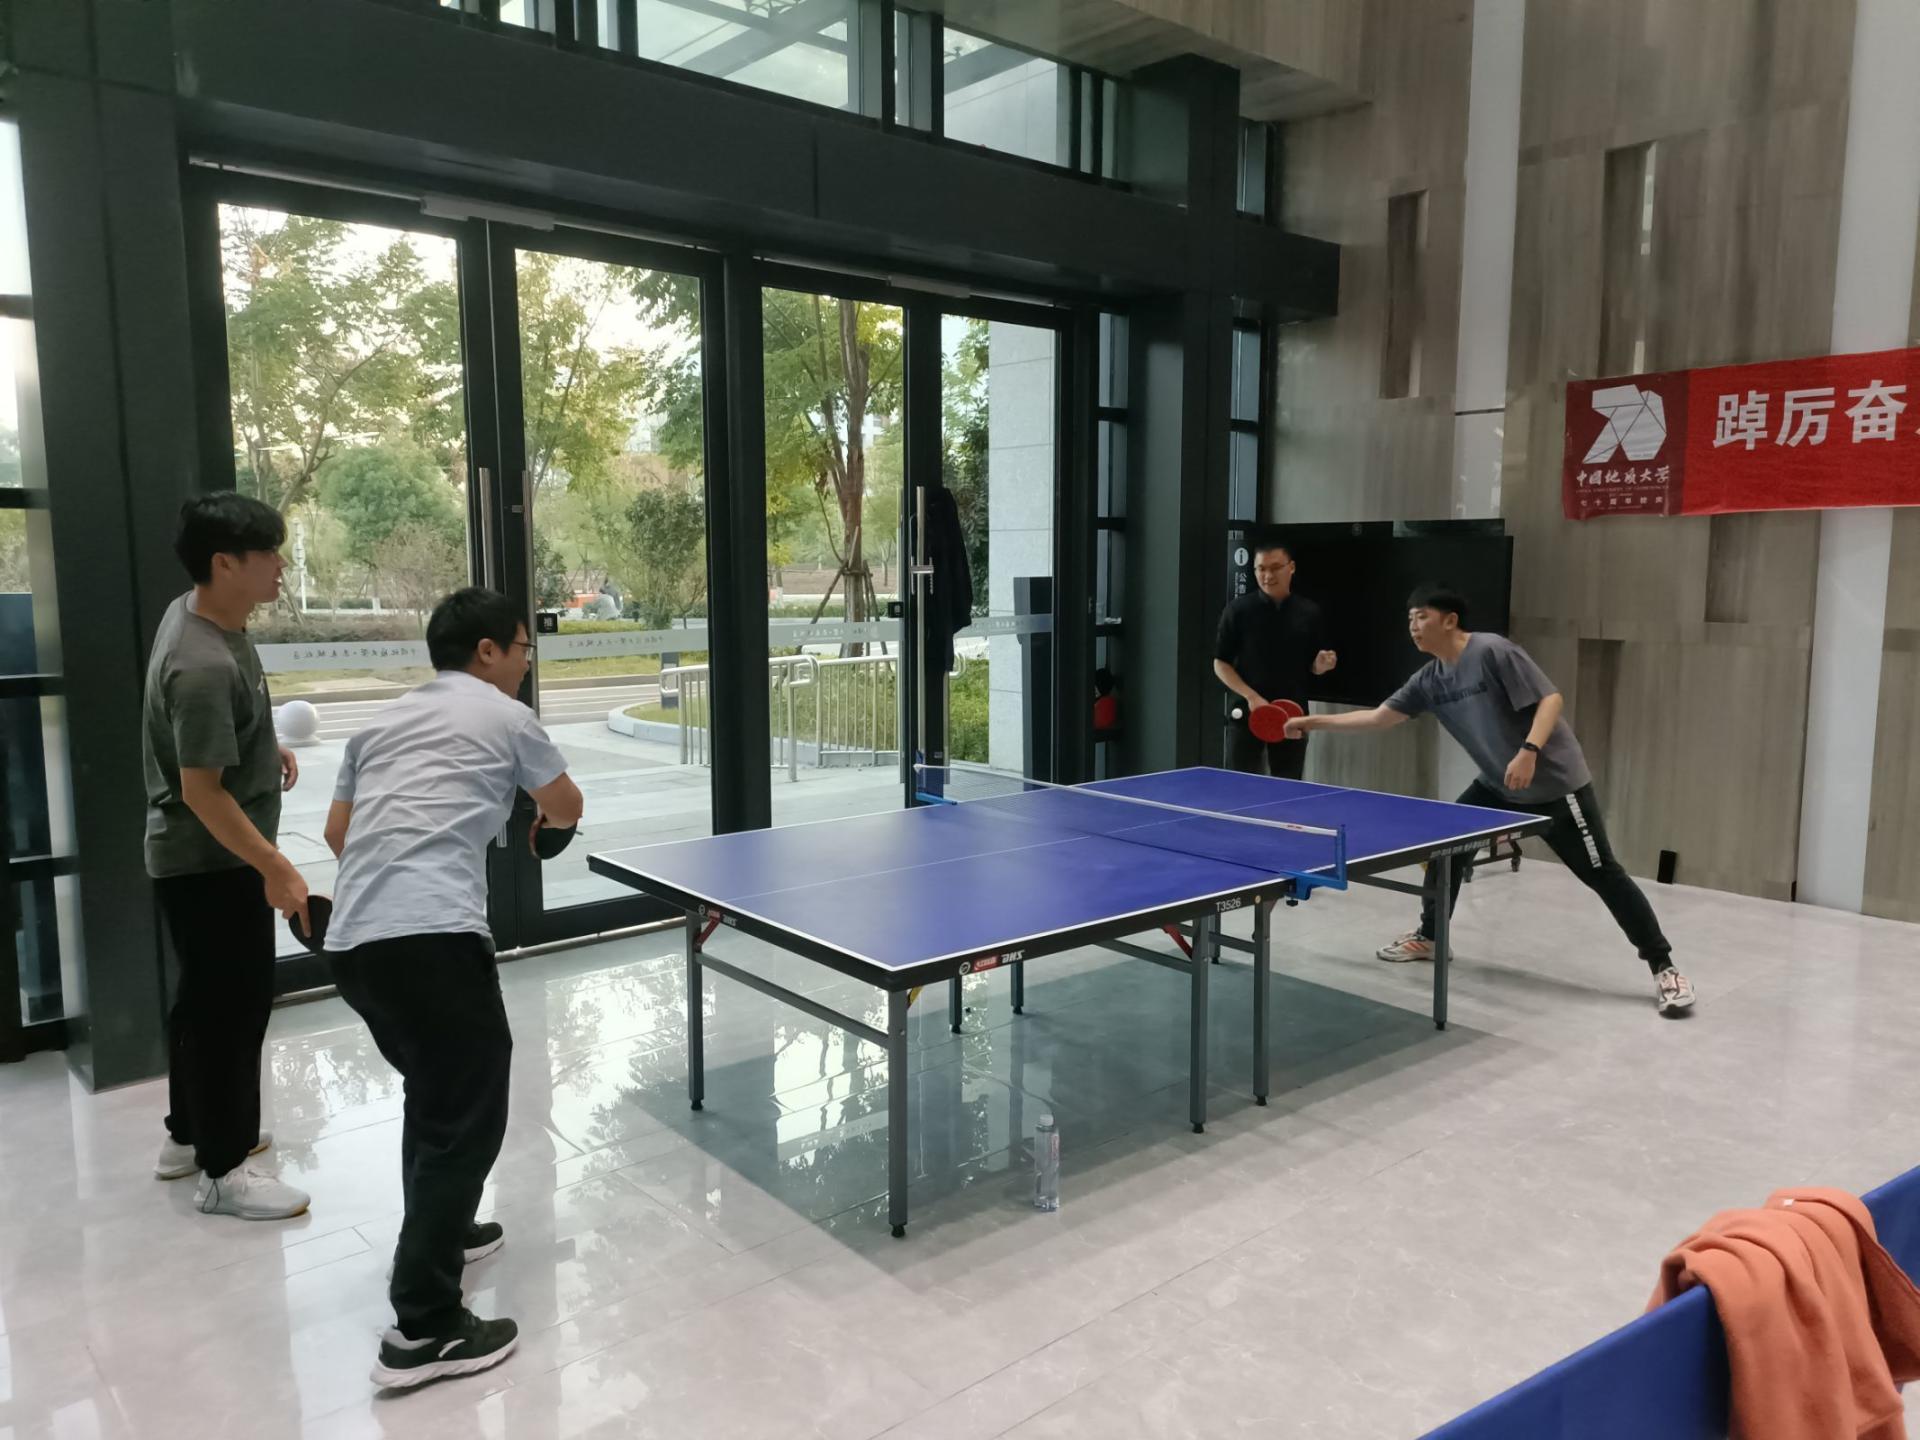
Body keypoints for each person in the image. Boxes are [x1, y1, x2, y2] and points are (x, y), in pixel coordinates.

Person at [322, 586, 584, 1390]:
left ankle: (449, 1230)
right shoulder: (508, 717)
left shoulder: (378, 724)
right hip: (432, 938)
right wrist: (543, 822)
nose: (526, 663)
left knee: (436, 1097)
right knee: (467, 1115)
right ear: (488, 652)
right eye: (523, 648)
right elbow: (566, 804)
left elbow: (338, 833)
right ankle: (423, 1328)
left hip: (355, 945)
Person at [1284, 584, 1698, 1018]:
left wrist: (1529, 750)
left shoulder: (1491, 651)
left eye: (1422, 616)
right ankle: (1431, 937)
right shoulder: (1429, 680)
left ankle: (1664, 967)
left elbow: (1550, 699)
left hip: (1556, 786)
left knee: (1602, 874)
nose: (1414, 626)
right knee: (1445, 850)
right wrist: (1311, 722)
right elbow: (1379, 717)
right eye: (1409, 619)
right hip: (1499, 785)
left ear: (1450, 620)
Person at [143, 493, 312, 1220]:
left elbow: (211, 738)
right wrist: (276, 865)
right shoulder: (202, 662)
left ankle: (188, 1136)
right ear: (224, 563)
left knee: (203, 1004)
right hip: (211, 863)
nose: (281, 565)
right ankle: (224, 1169)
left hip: (200, 860)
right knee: (234, 1014)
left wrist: (259, 744)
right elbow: (203, 792)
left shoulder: (203, 614)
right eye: (268, 553)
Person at [1213, 535, 1336, 781]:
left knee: (1288, 786)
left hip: (1293, 713)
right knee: (1239, 785)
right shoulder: (1237, 610)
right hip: (1246, 713)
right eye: (1261, 569)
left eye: (1275, 567)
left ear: (1291, 567)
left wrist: (1321, 665)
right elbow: (1220, 663)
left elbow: (1313, 665)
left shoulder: (1309, 612)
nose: (1267, 575)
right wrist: (1252, 697)